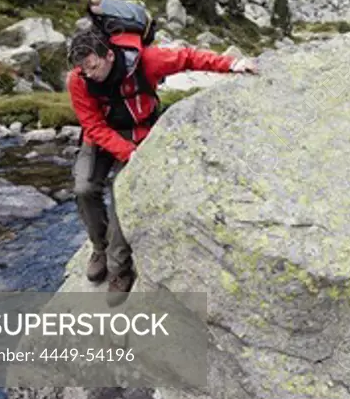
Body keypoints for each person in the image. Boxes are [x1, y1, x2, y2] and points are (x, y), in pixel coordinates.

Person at [66, 25, 258, 305]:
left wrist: (233, 63)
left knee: (123, 193)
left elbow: (189, 58)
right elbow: (92, 125)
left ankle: (119, 268)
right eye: (84, 70)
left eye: (93, 67)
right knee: (84, 187)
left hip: (140, 131)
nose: (89, 75)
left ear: (108, 56)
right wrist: (126, 152)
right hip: (101, 137)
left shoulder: (147, 61)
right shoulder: (79, 80)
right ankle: (98, 247)